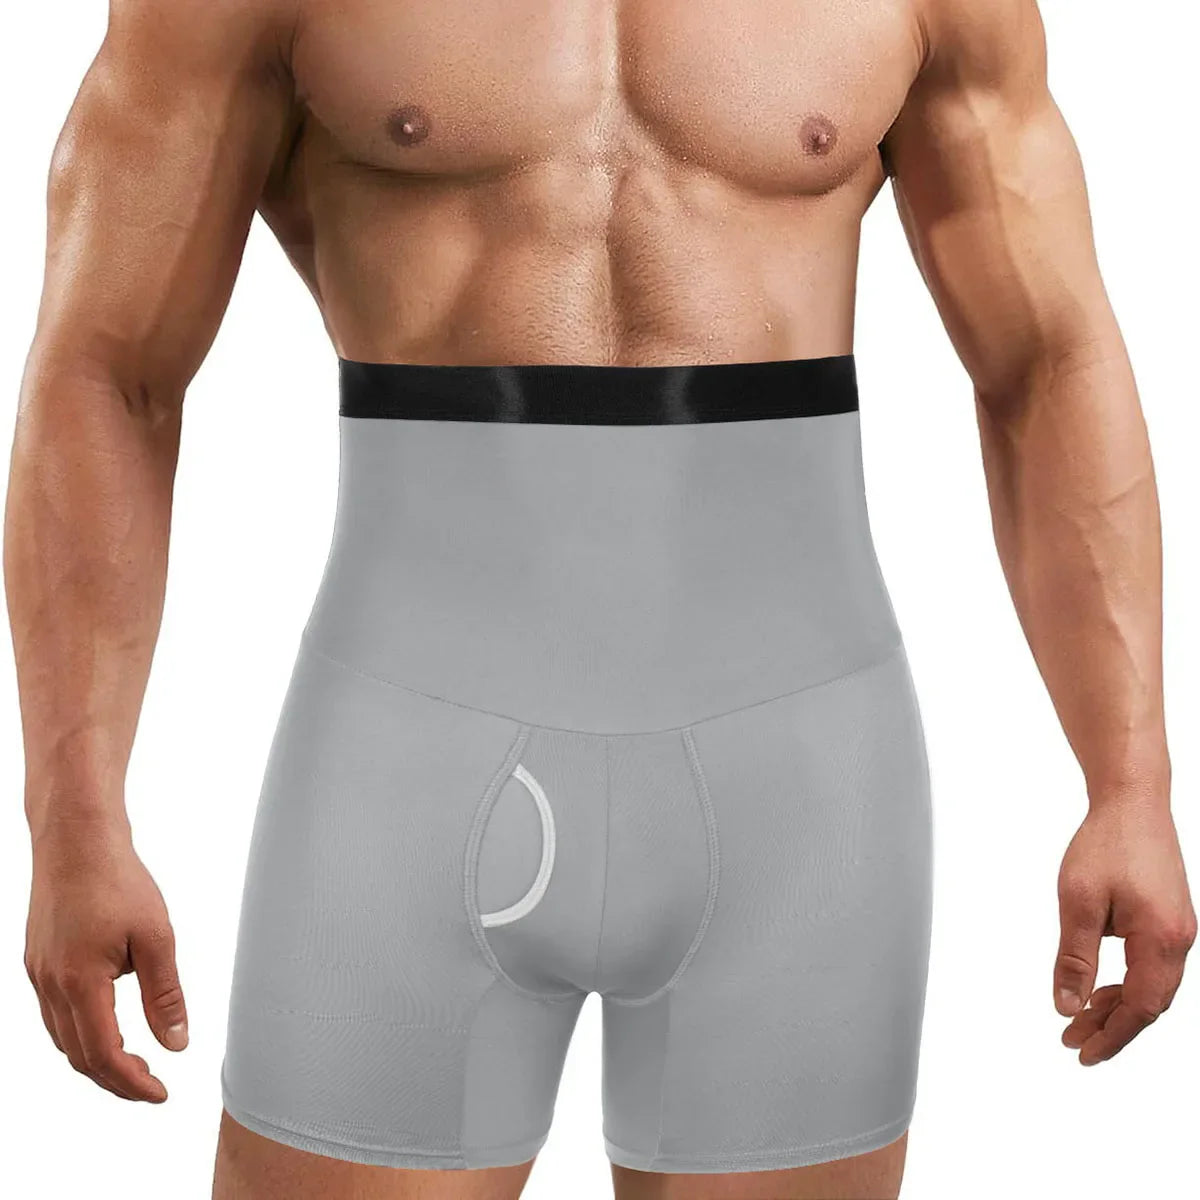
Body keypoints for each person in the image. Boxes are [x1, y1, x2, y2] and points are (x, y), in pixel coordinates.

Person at [7, 1, 1195, 1198]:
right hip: (407, 761)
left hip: (797, 773)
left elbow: (1046, 360)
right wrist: (75, 820)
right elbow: (111, 370)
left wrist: (1130, 785)